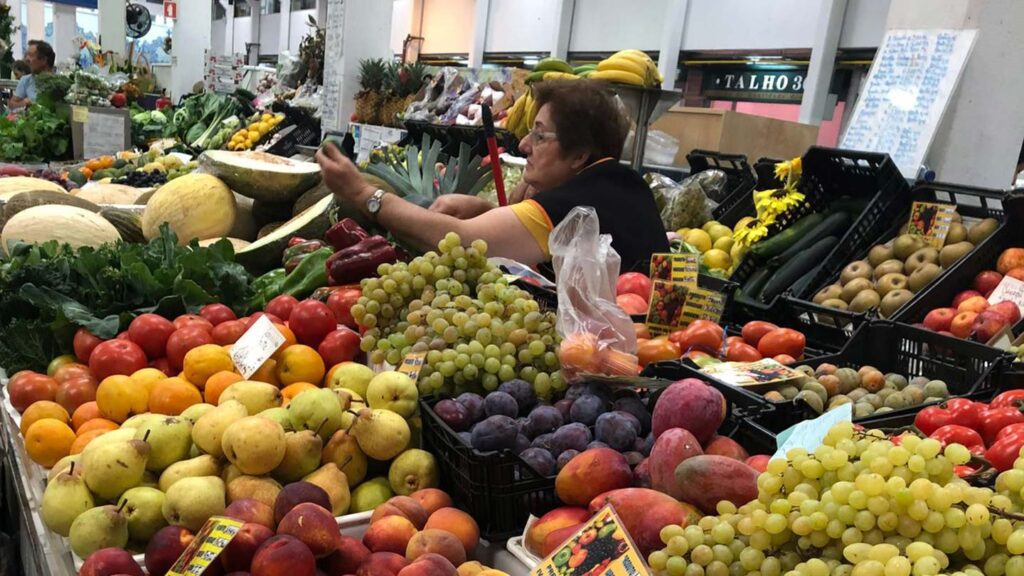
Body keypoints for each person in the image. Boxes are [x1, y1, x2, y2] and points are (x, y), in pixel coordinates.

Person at [317, 80, 668, 272]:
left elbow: (461, 241)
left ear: (579, 155)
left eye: (541, 135)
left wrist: (363, 192)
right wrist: (485, 209)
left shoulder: (572, 204)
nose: (525, 145)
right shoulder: (624, 185)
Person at [9, 40, 55, 109]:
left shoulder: (58, 84)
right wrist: (24, 103)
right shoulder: (26, 80)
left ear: (44, 60)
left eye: (31, 55)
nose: (26, 59)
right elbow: (11, 105)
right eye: (27, 55)